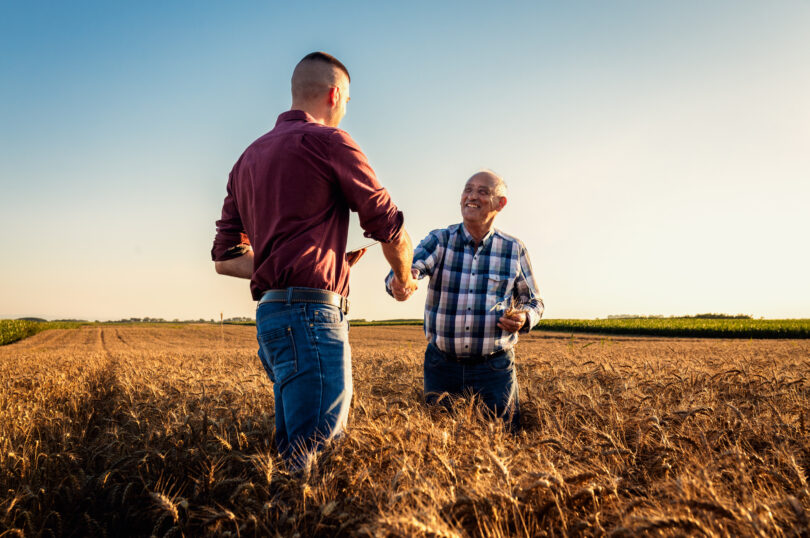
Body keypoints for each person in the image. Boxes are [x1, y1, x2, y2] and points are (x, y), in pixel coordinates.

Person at [212, 52, 418, 467]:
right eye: (347, 100)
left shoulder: (247, 158)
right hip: (311, 316)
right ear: (334, 93)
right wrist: (404, 278)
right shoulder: (330, 141)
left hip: (270, 317)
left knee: (291, 454)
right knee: (315, 462)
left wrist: (302, 258)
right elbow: (387, 224)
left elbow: (227, 258)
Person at [386, 170, 543, 431]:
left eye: (482, 191)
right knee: (436, 445)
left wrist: (524, 317)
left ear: (500, 204)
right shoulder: (440, 240)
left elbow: (534, 301)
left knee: (501, 444)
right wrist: (402, 281)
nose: (472, 196)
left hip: (494, 369)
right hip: (442, 367)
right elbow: (408, 268)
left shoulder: (513, 249)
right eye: (468, 190)